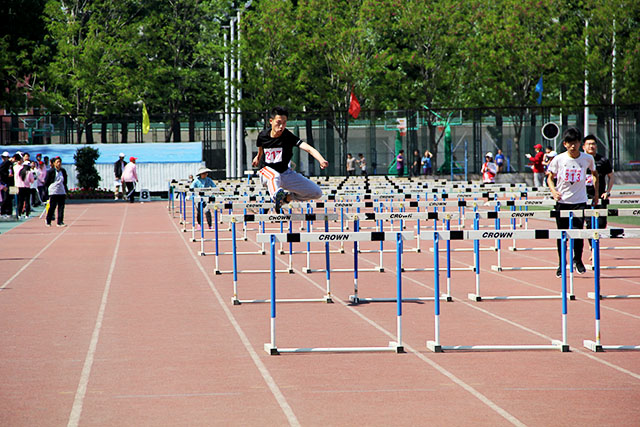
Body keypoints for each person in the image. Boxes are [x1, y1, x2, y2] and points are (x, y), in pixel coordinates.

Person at [252, 106, 328, 212]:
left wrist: (321, 159)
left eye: (284, 123)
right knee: (275, 176)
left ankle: (285, 198)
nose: (281, 126)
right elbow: (261, 149)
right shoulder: (262, 136)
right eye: (278, 122)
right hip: (267, 172)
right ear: (271, 121)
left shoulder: (288, 136)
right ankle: (275, 197)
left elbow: (308, 148)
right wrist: (258, 157)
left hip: (285, 173)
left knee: (316, 192)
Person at [546, 127, 597, 278]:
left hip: (580, 201)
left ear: (580, 143)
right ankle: (562, 263)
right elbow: (549, 178)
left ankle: (578, 259)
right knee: (562, 234)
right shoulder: (558, 159)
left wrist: (595, 194)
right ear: (565, 144)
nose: (573, 146)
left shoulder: (587, 159)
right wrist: (553, 191)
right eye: (570, 143)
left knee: (578, 232)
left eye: (575, 142)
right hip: (562, 201)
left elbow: (595, 174)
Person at [583, 134, 614, 234]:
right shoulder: (581, 160)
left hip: (600, 196)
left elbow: (611, 176)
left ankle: (595, 240)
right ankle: (591, 242)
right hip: (585, 196)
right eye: (588, 144)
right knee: (589, 223)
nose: (591, 146)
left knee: (601, 223)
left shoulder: (603, 160)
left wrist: (607, 192)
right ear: (583, 147)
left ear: (596, 146)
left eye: (593, 144)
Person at [44, 156, 68, 227]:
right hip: (53, 191)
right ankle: (48, 220)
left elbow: (65, 181)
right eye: (57, 162)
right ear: (54, 163)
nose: (59, 163)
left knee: (61, 207)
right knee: (52, 206)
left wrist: (65, 189)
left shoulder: (63, 171)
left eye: (60, 162)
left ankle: (60, 222)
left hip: (61, 190)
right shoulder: (50, 171)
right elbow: (46, 182)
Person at [13, 153, 34, 219]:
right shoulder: (29, 172)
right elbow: (32, 180)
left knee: (20, 201)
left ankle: (19, 214)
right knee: (27, 201)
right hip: (26, 187)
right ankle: (27, 214)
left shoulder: (19, 170)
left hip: (18, 186)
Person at [0, 151, 14, 217]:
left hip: (11, 184)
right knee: (5, 198)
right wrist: (7, 175)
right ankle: (3, 212)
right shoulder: (3, 164)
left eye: (4, 157)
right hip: (4, 184)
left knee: (10, 198)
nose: (3, 158)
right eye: (2, 157)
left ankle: (9, 212)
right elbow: (1, 171)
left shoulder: (11, 164)